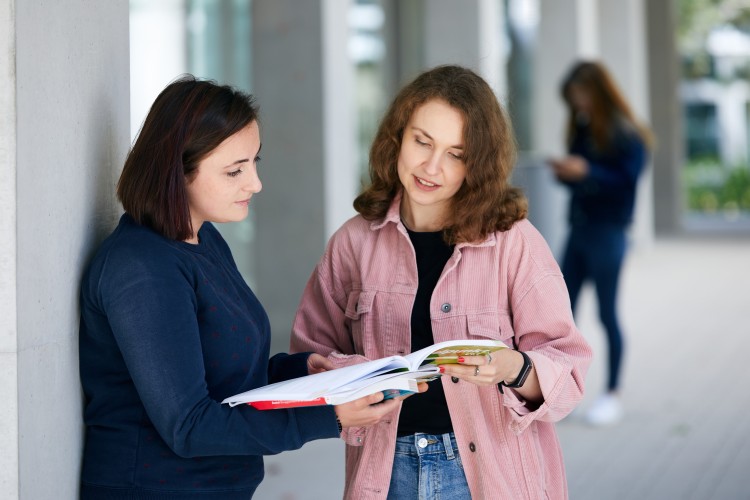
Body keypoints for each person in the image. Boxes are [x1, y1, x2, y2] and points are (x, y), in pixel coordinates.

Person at [78, 75, 408, 499]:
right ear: (175, 172)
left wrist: (302, 370)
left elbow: (221, 377)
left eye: (254, 163)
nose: (254, 184)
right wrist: (328, 417)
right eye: (234, 170)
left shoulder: (203, 239)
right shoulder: (142, 268)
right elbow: (189, 425)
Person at [290, 65, 593, 499]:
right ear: (397, 136)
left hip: (491, 476)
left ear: (478, 164)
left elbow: (569, 370)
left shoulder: (514, 243)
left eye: (456, 153)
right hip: (385, 471)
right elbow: (309, 356)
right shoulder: (353, 242)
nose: (432, 166)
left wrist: (514, 367)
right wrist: (353, 375)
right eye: (422, 142)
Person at [548, 61, 652, 426]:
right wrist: (568, 173)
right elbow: (583, 181)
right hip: (578, 231)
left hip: (608, 234)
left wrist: (587, 172)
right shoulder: (583, 127)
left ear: (597, 91)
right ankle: (557, 391)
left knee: (607, 315)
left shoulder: (627, 133)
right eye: (573, 97)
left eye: (580, 95)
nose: (577, 103)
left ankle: (612, 394)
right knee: (559, 315)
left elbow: (627, 181)